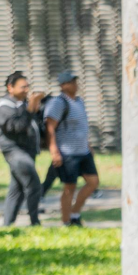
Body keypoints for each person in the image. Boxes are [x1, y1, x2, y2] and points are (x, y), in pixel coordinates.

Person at [0, 71, 47, 226]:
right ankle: (35, 222)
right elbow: (17, 127)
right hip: (14, 151)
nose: (26, 90)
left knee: (16, 189)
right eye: (22, 87)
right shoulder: (4, 107)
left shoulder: (21, 104)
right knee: (34, 185)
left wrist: (36, 107)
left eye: (27, 87)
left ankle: (7, 225)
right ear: (10, 88)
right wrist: (30, 109)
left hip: (27, 151)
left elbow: (34, 122)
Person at [45, 70, 95, 228]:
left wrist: (88, 145)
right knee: (69, 187)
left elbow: (82, 126)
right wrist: (54, 150)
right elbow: (50, 127)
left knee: (93, 182)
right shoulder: (58, 102)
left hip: (83, 151)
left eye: (75, 81)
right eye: (71, 82)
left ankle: (75, 213)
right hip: (67, 153)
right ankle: (66, 221)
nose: (75, 85)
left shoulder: (79, 101)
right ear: (62, 85)